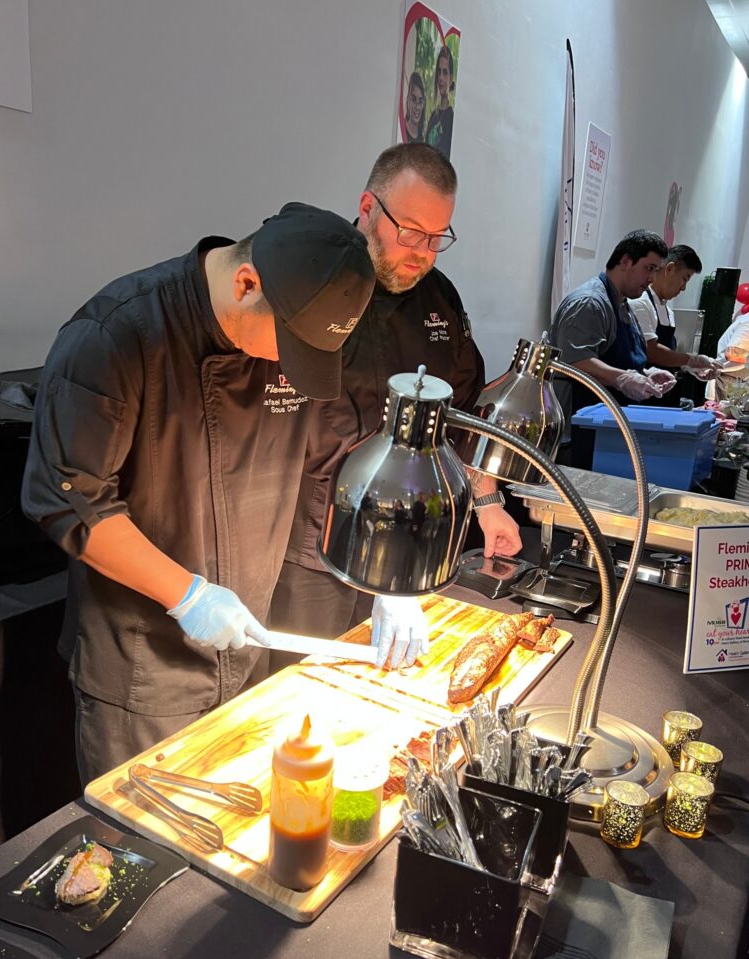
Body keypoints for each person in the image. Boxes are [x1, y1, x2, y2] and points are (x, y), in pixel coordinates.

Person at [21, 203, 376, 783]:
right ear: (246, 284)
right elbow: (67, 500)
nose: (288, 364)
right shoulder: (115, 336)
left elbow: (330, 461)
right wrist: (187, 595)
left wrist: (383, 580)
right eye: (288, 345)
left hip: (246, 646)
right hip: (145, 672)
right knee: (144, 833)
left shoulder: (286, 329)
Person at [267, 144, 521, 675]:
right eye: (410, 232)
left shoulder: (438, 298)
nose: (423, 253)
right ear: (368, 207)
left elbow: (460, 411)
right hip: (315, 544)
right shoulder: (316, 282)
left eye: (437, 238)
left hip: (411, 535)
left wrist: (486, 499)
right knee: (311, 683)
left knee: (392, 680)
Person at [548, 229, 674, 468]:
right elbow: (575, 361)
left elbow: (617, 358)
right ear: (625, 261)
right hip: (577, 430)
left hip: (606, 430)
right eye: (649, 268)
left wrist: (645, 374)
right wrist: (624, 379)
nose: (652, 279)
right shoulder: (589, 303)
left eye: (656, 271)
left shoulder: (622, 304)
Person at [628, 244, 721, 381]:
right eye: (684, 279)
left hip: (663, 387)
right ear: (670, 269)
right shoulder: (640, 302)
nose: (683, 288)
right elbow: (651, 351)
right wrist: (692, 360)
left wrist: (690, 368)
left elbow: (669, 352)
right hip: (641, 386)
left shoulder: (669, 312)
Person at [425, 46, 454, 159]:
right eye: (439, 71)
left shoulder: (451, 117)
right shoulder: (433, 116)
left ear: (451, 78)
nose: (441, 78)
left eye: (445, 72)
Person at [404, 71, 426, 143]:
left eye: (420, 101)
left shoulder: (423, 138)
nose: (417, 107)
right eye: (413, 99)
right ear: (408, 100)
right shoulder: (401, 130)